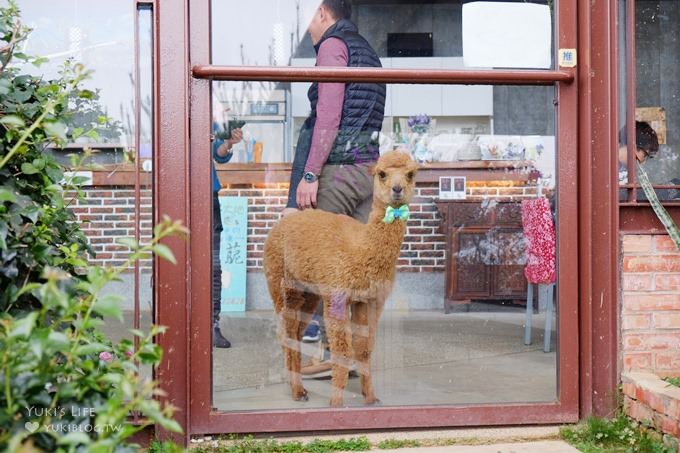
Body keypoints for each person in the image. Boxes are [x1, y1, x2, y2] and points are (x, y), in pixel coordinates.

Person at [282, 0, 386, 377]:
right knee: (357, 267)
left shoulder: (331, 44)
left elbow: (328, 112)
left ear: (323, 14)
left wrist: (310, 174)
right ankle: (357, 357)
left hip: (339, 170)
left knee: (328, 266)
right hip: (366, 170)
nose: (306, 28)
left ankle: (333, 353)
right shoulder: (368, 52)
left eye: (308, 18)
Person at [212, 121, 243, 348]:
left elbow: (219, 154)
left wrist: (228, 144)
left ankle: (212, 325)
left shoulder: (209, 115)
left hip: (208, 195)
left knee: (213, 265)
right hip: (177, 197)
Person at [617, 121, 679, 201]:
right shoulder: (606, 166)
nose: (644, 162)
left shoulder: (621, 168)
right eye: (645, 155)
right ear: (633, 146)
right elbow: (624, 194)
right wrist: (671, 189)